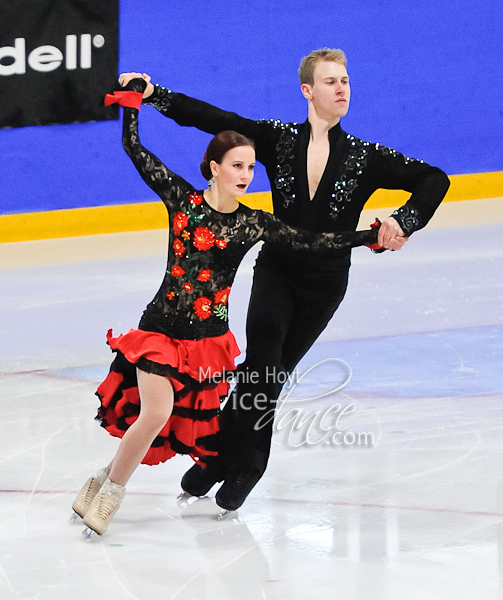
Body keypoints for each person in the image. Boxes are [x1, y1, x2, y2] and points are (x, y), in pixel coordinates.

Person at [120, 48, 450, 514]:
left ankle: (218, 457)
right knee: (262, 362)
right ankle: (246, 466)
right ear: (307, 90)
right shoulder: (278, 139)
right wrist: (155, 94)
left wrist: (404, 220)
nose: (341, 89)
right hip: (277, 270)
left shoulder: (364, 156)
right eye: (331, 81)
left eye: (345, 81)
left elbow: (434, 179)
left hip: (324, 284)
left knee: (270, 376)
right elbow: (216, 119)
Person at [72, 77, 385, 537]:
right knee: (155, 414)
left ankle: (99, 480)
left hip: (206, 343)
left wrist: (368, 237)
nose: (245, 175)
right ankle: (111, 496)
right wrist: (134, 105)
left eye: (251, 168)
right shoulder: (183, 203)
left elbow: (313, 242)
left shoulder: (253, 223)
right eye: (237, 165)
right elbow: (135, 150)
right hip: (159, 331)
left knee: (165, 423)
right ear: (214, 167)